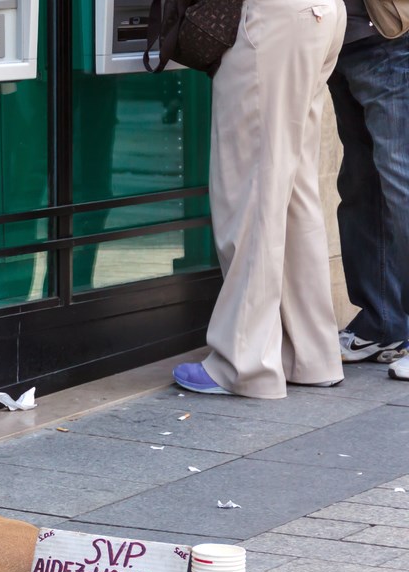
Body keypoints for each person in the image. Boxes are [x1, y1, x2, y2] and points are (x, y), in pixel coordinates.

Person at [174, 0, 347, 397]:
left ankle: (243, 363)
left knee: (251, 193)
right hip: (319, 14)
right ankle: (311, 354)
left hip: (272, 18)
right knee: (293, 189)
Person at [328, 1, 409, 379]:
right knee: (363, 187)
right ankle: (382, 324)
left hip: (392, 38)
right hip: (340, 42)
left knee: (402, 185)